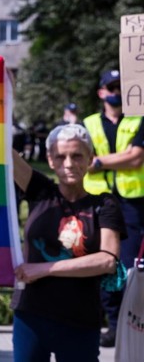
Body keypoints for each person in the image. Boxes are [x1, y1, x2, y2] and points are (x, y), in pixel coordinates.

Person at [11, 124, 126, 361]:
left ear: (90, 159)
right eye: (60, 156)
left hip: (80, 320)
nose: (68, 163)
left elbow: (107, 260)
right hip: (31, 315)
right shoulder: (40, 192)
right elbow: (1, 150)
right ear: (50, 160)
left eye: (76, 155)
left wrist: (43, 269)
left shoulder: (104, 204)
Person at [83, 69, 144, 347]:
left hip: (131, 203)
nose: (116, 92)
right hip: (98, 201)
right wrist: (114, 159)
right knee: (101, 262)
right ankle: (112, 324)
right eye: (111, 87)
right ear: (101, 92)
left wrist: (98, 162)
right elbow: (81, 158)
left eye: (120, 86)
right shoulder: (89, 123)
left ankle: (127, 323)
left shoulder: (138, 119)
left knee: (129, 265)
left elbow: (135, 159)